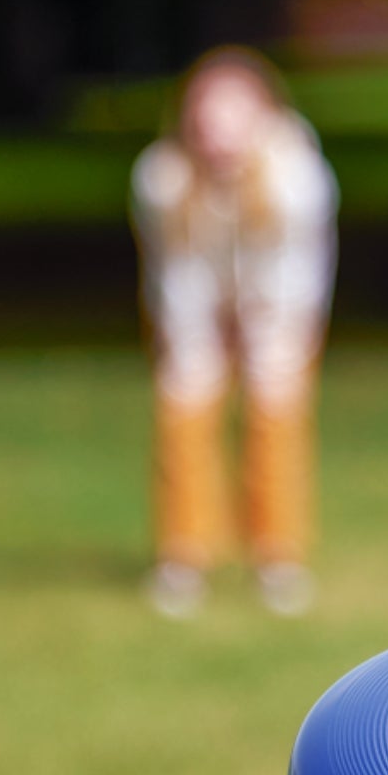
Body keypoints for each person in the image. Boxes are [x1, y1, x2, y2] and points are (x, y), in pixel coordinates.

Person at [131, 47, 338, 618]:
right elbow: (175, 272)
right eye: (207, 114)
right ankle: (184, 556)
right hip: (193, 306)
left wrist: (264, 334)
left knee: (276, 415)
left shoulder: (297, 177)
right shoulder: (162, 178)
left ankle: (278, 557)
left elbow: (296, 272)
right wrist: (197, 340)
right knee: (184, 408)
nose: (218, 131)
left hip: (279, 308)